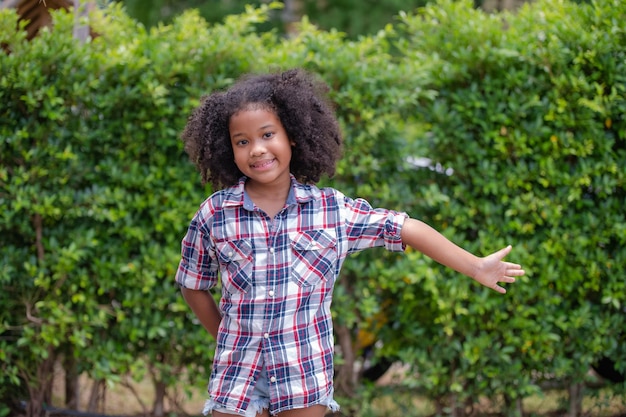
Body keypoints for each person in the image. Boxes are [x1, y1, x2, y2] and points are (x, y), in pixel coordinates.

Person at [175, 68, 525, 417]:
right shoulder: (215, 214)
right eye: (242, 141)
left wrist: (476, 265)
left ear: (292, 136)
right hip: (236, 377)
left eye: (268, 134)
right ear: (228, 148)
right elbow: (193, 285)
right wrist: (227, 337)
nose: (257, 149)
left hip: (303, 376)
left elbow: (405, 228)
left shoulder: (331, 211)